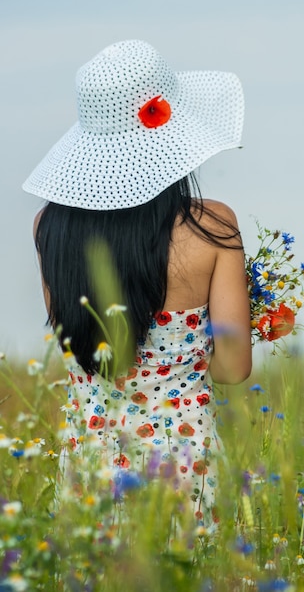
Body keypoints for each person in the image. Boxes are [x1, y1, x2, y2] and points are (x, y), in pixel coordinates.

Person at [23, 40, 252, 524]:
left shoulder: (49, 228)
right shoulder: (213, 227)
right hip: (184, 464)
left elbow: (74, 341)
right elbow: (232, 370)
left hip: (91, 469)